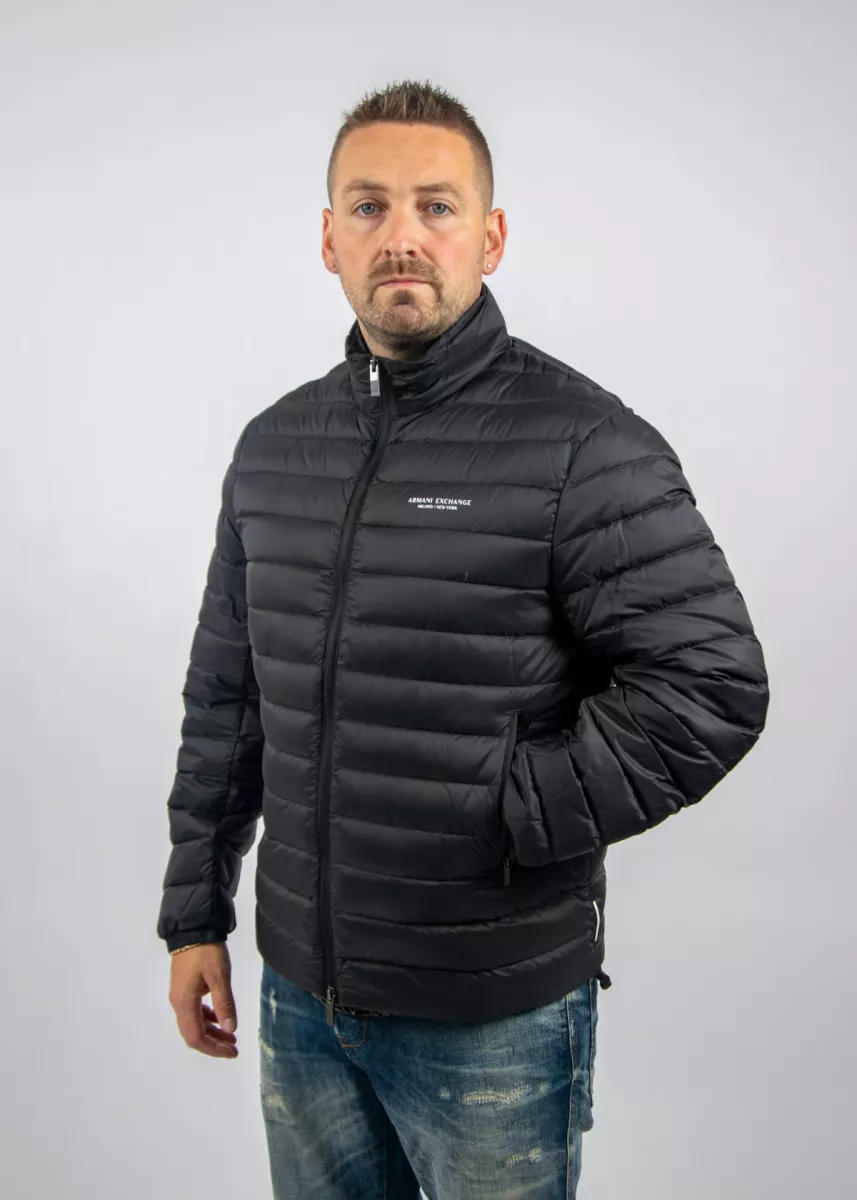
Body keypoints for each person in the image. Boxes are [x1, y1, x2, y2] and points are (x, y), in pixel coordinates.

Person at [157, 78, 769, 1199]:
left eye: (435, 207)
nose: (401, 236)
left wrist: (507, 811)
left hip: (490, 1016)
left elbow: (710, 684)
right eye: (369, 206)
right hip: (300, 999)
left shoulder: (582, 443)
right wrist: (194, 914)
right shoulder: (273, 448)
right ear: (328, 239)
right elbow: (227, 698)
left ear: (489, 238)